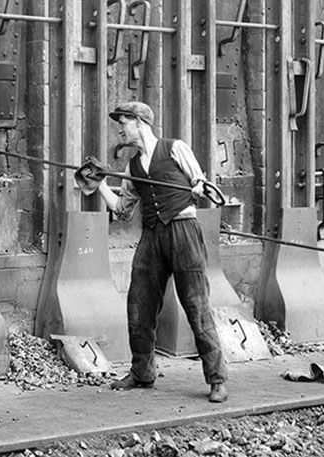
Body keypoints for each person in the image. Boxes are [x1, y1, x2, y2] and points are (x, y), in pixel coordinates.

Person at [75, 101, 229, 403]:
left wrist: (197, 187)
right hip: (152, 236)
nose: (120, 128)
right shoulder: (133, 167)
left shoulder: (175, 148)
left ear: (140, 123)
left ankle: (217, 379)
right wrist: (101, 184)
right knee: (138, 305)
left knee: (197, 306)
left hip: (184, 231)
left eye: (124, 122)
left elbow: (199, 181)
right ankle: (143, 372)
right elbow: (122, 210)